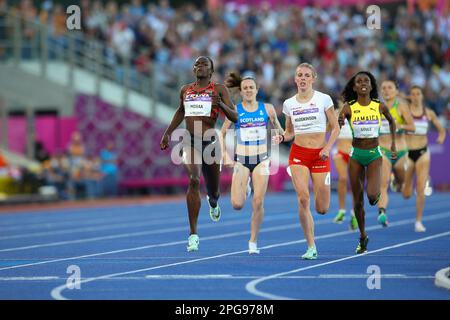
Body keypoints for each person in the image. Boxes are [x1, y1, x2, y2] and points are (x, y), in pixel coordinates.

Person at [160, 56, 238, 252]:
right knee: (194, 180)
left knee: (214, 191)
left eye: (204, 64)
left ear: (211, 71)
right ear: (193, 69)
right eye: (196, 64)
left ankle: (213, 202)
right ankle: (193, 234)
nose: (199, 66)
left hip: (210, 142)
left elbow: (235, 116)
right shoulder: (185, 90)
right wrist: (167, 133)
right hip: (189, 141)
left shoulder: (219, 89)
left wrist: (220, 104)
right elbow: (180, 111)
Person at [272, 63, 340, 260]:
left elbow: (335, 128)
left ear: (313, 78)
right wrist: (282, 137)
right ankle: (311, 246)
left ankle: (314, 233)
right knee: (303, 198)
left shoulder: (323, 99)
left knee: (322, 208)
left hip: (320, 155)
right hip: (299, 154)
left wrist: (327, 148)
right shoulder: (289, 104)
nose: (302, 78)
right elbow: (290, 132)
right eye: (299, 75)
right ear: (295, 79)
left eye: (306, 75)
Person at [220, 72, 284, 254]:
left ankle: (253, 241)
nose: (248, 90)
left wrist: (281, 135)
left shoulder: (268, 109)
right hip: (241, 160)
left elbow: (280, 131)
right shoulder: (235, 110)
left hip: (261, 160)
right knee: (237, 204)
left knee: (258, 202)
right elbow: (221, 134)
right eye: (245, 88)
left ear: (257, 90)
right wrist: (225, 156)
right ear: (241, 91)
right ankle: (246, 186)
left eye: (251, 88)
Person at [338, 71, 397, 254]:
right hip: (356, 155)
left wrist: (393, 145)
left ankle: (376, 196)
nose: (363, 83)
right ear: (354, 87)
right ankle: (363, 237)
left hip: (373, 154)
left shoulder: (379, 106)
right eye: (359, 81)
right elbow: (337, 123)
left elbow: (392, 123)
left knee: (372, 197)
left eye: (367, 81)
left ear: (371, 86)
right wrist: (339, 121)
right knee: (357, 202)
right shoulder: (349, 107)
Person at [402, 86, 446, 232]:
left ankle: (418, 221)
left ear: (422, 96)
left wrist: (441, 137)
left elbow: (441, 130)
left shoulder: (429, 113)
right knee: (407, 194)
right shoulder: (405, 111)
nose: (415, 96)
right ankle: (405, 185)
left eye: (418, 94)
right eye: (413, 94)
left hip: (423, 152)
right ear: (410, 96)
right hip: (407, 153)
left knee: (421, 188)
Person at [377, 80, 415, 226]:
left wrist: (400, 125)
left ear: (396, 91)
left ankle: (397, 182)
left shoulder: (402, 107)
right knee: (382, 184)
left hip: (400, 151)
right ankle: (382, 212)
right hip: (383, 150)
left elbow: (412, 127)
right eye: (384, 88)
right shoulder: (377, 107)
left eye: (390, 88)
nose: (386, 90)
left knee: (402, 184)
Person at [332, 102, 358, 230]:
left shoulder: (358, 111)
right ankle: (342, 210)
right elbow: (326, 128)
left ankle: (354, 213)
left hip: (355, 152)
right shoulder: (335, 113)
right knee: (342, 179)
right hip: (340, 151)